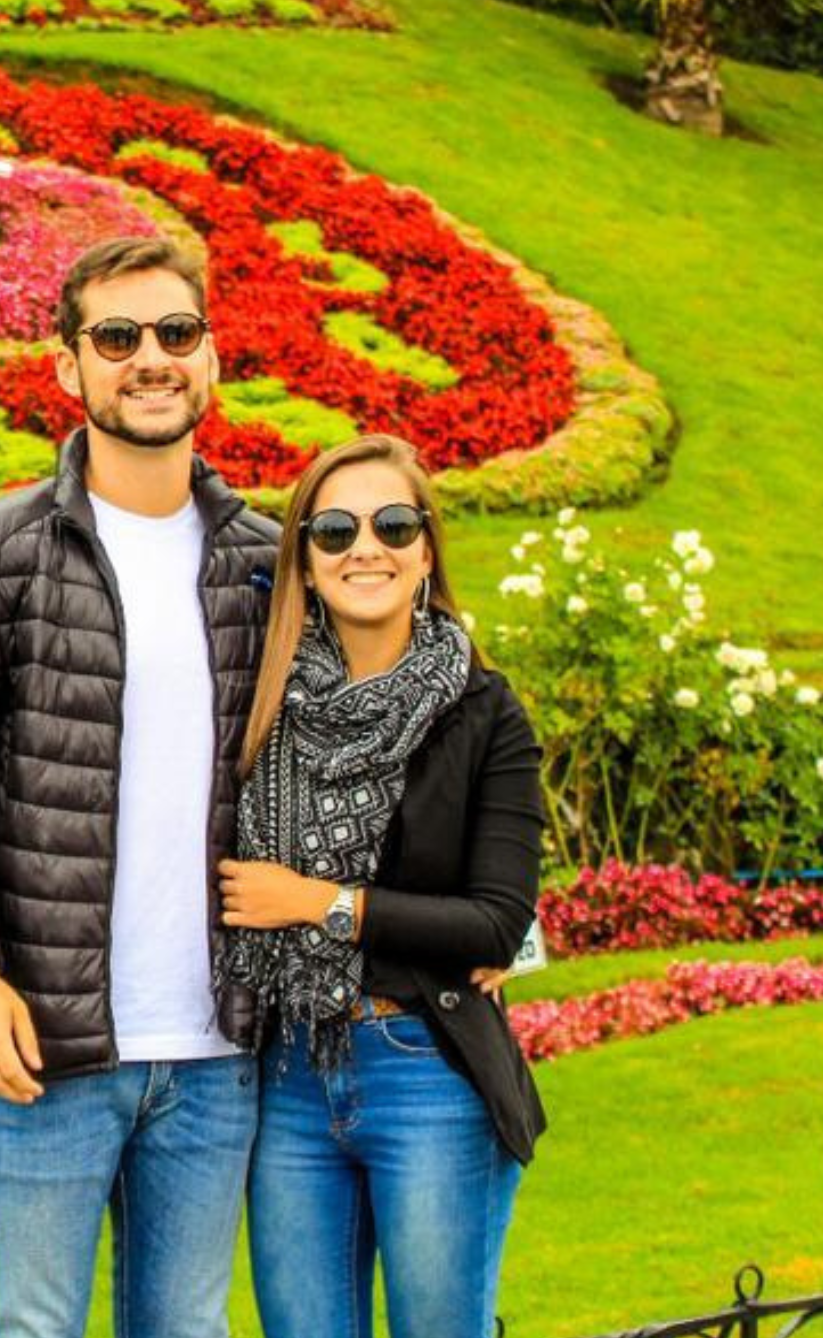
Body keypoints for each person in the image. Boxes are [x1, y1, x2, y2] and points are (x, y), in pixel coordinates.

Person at [0, 236, 279, 1338]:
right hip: (42, 1044)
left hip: (215, 1050)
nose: (148, 359)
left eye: (173, 334)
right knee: (31, 1327)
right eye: (116, 338)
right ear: (69, 368)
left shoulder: (270, 561)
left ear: (210, 361)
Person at [216, 432, 546, 1338]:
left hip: (426, 1072)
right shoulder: (256, 695)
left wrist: (316, 901)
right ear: (305, 561)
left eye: (393, 523)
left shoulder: (483, 709)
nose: (366, 546)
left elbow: (496, 919)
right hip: (287, 1071)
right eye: (334, 529)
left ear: (427, 549)